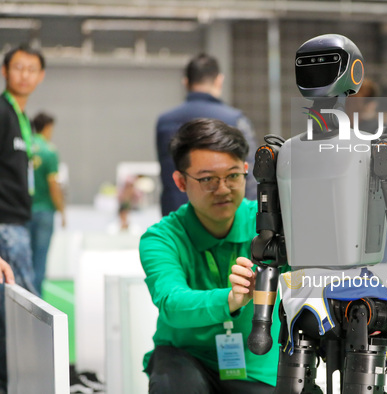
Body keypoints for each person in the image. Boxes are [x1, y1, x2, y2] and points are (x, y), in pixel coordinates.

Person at [140, 118, 279, 394]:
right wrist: (230, 299)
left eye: (232, 175)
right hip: (184, 357)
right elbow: (171, 302)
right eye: (207, 179)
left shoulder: (271, 224)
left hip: (255, 361)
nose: (223, 188)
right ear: (180, 181)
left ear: (246, 171)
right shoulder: (161, 237)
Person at [156, 53, 258, 217]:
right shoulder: (236, 120)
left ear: (186, 83)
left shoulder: (164, 122)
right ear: (219, 80)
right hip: (224, 221)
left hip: (176, 221)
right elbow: (252, 178)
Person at [0, 43, 45, 391]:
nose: (25, 74)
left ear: (41, 76)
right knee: (24, 308)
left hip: (17, 223)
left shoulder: (21, 116)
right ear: (5, 71)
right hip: (5, 227)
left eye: (32, 69)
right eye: (18, 67)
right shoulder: (2, 112)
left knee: (18, 307)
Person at [26, 112, 66, 295]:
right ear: (48, 127)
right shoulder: (49, 151)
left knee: (23, 261)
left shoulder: (25, 146)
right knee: (39, 262)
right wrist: (62, 210)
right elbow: (54, 186)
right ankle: (37, 306)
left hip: (23, 211)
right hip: (44, 211)